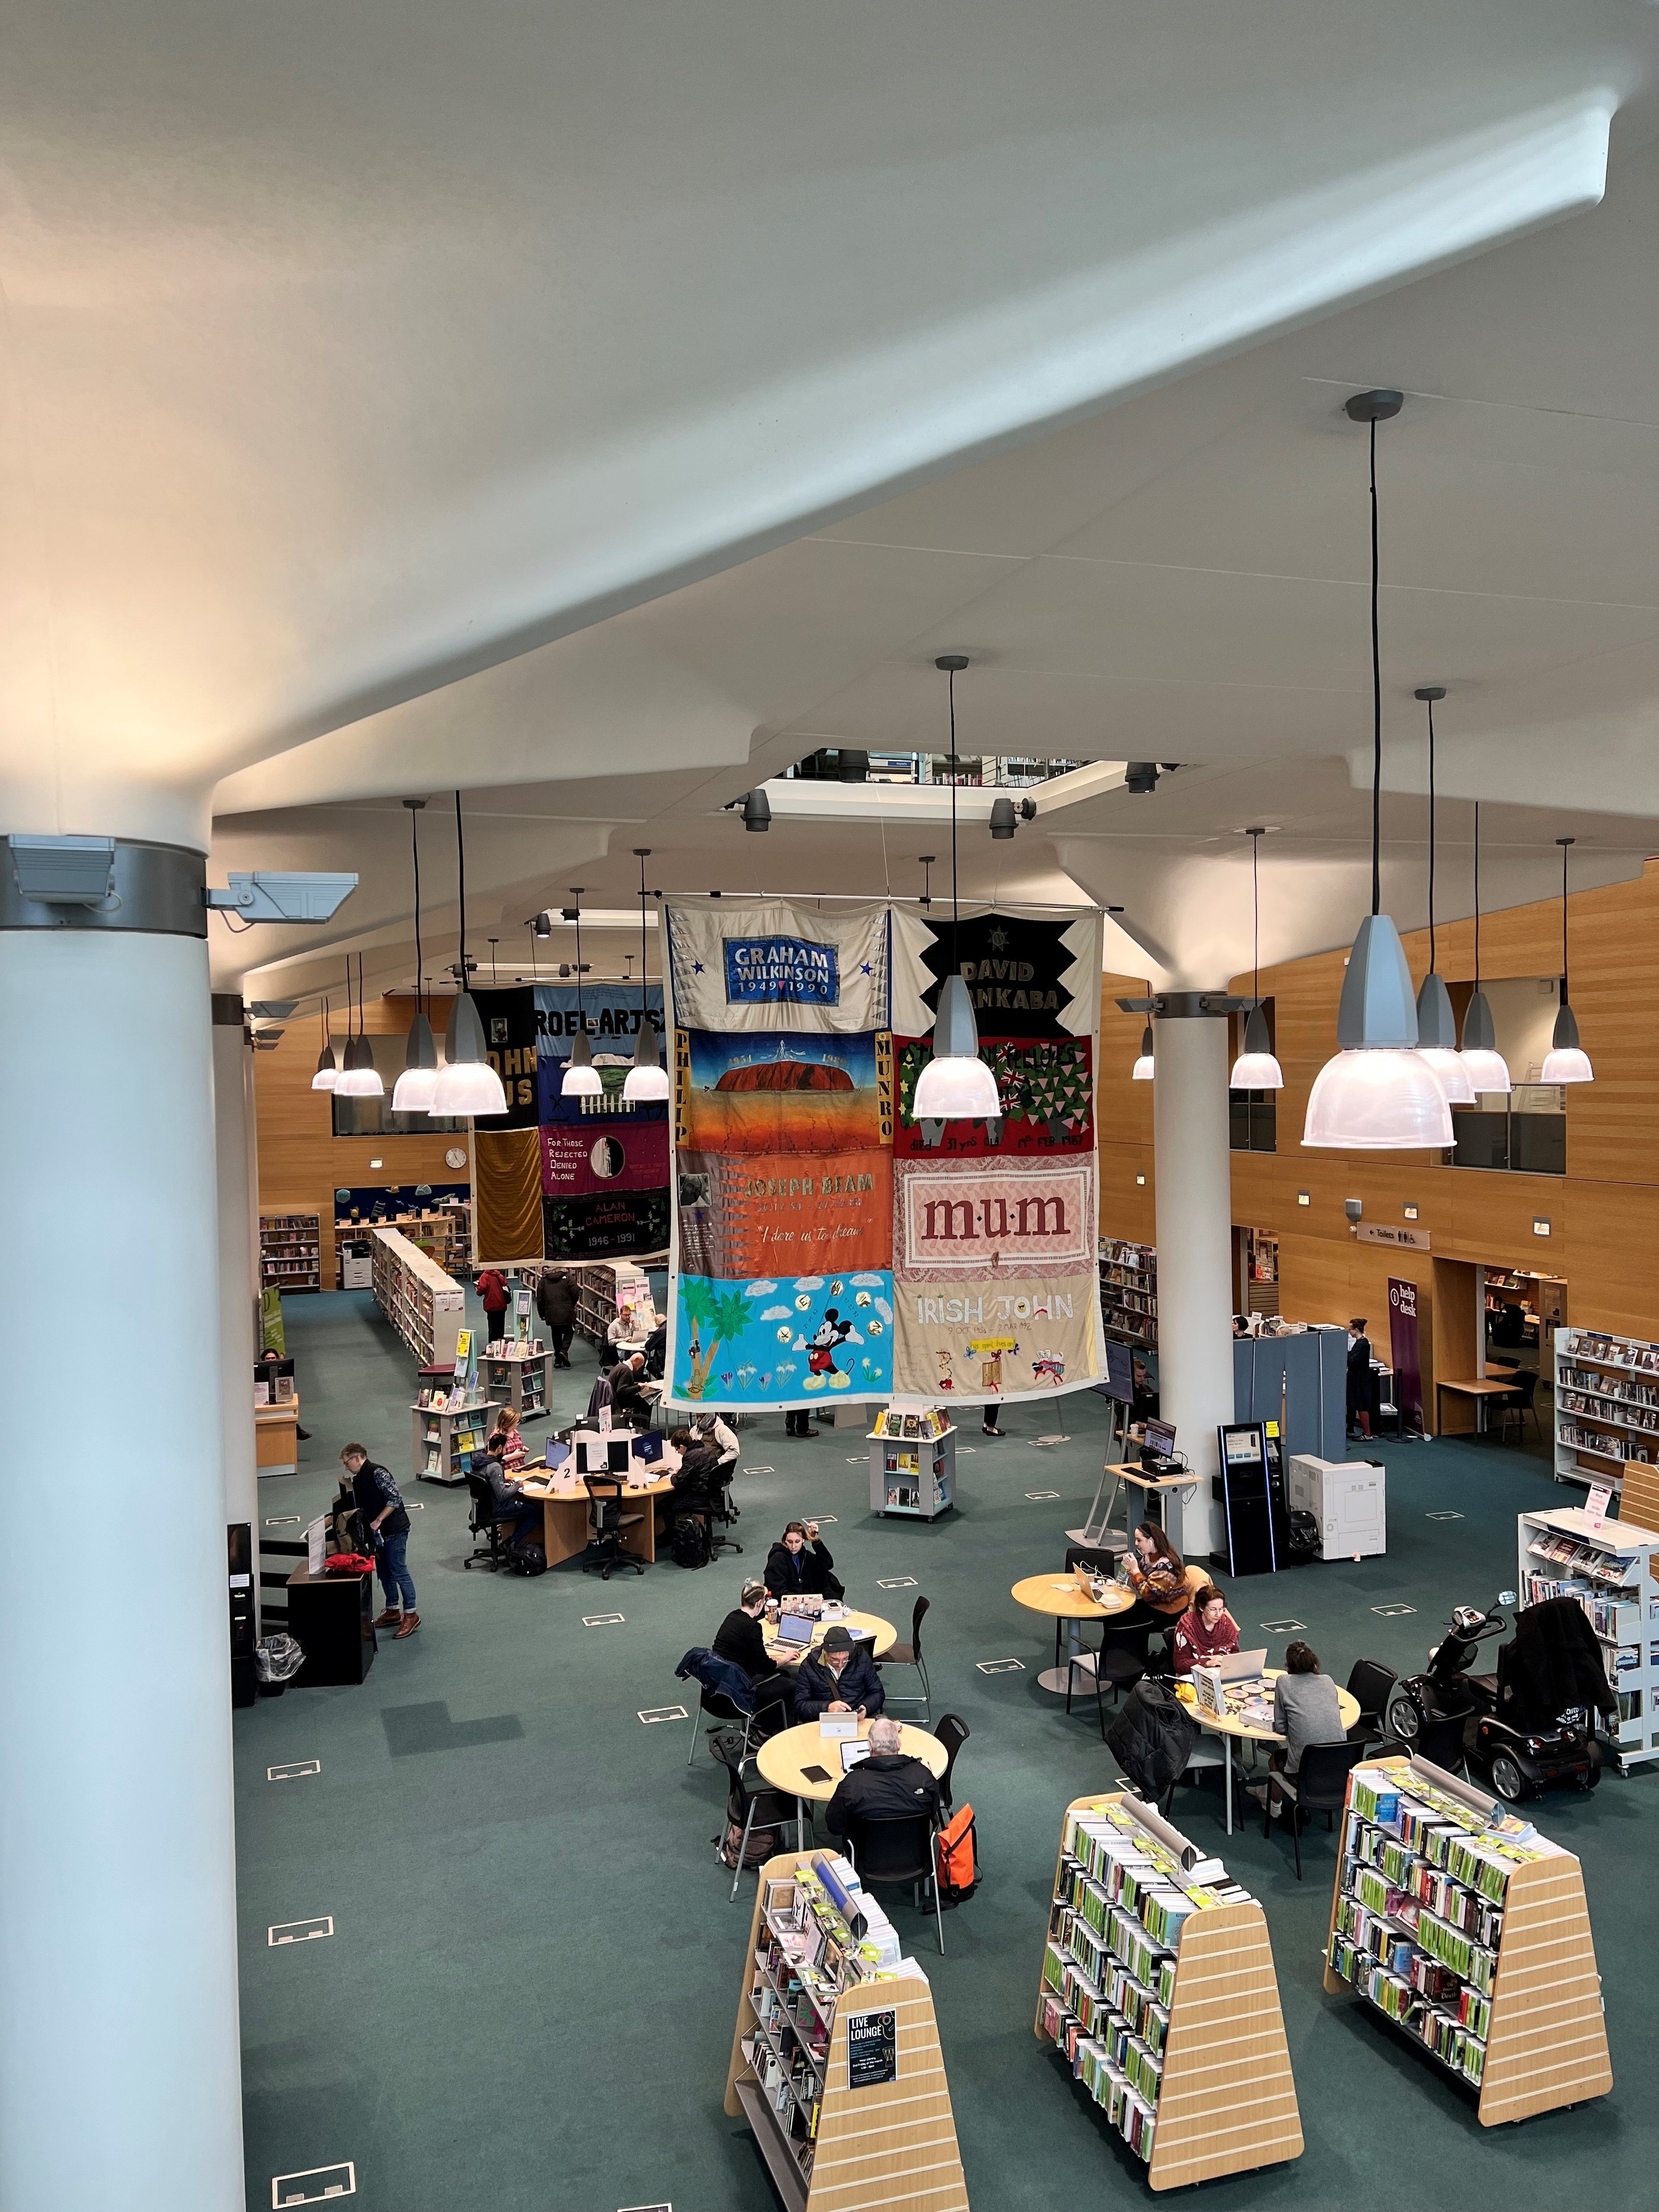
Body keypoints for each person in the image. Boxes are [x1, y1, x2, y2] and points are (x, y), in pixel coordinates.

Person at [340, 1442, 419, 1638]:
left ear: (356, 1458)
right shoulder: (359, 1479)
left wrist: (378, 1520)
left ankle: (411, 1614)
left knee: (399, 1571)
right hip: (378, 1535)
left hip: (395, 1530)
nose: (346, 1467)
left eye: (347, 1463)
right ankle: (392, 1610)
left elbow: (395, 1499)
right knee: (384, 1572)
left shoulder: (378, 1473)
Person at [825, 1715, 940, 1838]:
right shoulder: (923, 1776)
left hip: (865, 1848)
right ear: (899, 1744)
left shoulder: (852, 1784)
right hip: (917, 1847)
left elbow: (835, 1826)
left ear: (869, 1746)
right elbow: (934, 1808)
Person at [713, 1579, 793, 1725]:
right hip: (738, 1691)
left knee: (783, 1675)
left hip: (717, 1688)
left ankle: (762, 1724)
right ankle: (765, 1729)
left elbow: (741, 1652)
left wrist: (768, 1658)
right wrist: (785, 1658)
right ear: (759, 1604)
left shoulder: (732, 1617)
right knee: (791, 1685)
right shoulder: (752, 1627)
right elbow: (766, 1667)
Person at [1269, 1640, 1347, 1786]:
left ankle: (1272, 1801)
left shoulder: (1284, 1682)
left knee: (1274, 1760)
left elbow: (1280, 1727)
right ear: (1314, 1664)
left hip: (1303, 1768)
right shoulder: (1328, 1680)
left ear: (1288, 1667)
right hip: (1339, 1763)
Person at [793, 1624, 885, 1721]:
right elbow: (800, 1705)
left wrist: (866, 1708)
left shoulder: (861, 1659)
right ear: (825, 1653)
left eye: (845, 1659)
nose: (840, 1665)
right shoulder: (809, 1666)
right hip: (824, 1720)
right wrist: (827, 1708)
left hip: (858, 1719)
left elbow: (878, 1692)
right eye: (835, 1660)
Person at [1119, 1519, 1190, 1628]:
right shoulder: (1148, 1557)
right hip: (1155, 1604)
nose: (1136, 1544)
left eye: (1139, 1540)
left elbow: (1149, 1595)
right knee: (1117, 1615)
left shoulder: (1165, 1566)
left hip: (1170, 1610)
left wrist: (1135, 1571)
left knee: (1122, 1623)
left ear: (1151, 1541)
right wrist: (1130, 1570)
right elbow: (1141, 1585)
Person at [471, 1448, 543, 1548]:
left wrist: (501, 1479)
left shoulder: (478, 1462)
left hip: (482, 1508)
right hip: (497, 1508)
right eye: (504, 1449)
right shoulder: (495, 1467)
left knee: (525, 1506)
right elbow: (502, 1495)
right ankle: (512, 1541)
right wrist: (517, 1485)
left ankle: (513, 1541)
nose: (505, 1452)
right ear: (500, 1448)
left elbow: (487, 1480)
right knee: (536, 1511)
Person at [765, 1518, 844, 1602]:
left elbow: (827, 1564)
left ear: (803, 1540)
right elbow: (778, 1591)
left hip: (804, 1601)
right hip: (786, 1603)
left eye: (797, 1541)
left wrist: (816, 1541)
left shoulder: (804, 1555)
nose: (794, 1546)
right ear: (785, 1541)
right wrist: (802, 1601)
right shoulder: (777, 1559)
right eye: (790, 1542)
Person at [1170, 1583, 1241, 1675]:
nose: (1218, 1614)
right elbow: (1180, 1665)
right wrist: (1207, 1663)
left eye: (1221, 1609)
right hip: (1194, 1674)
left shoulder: (1226, 1624)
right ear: (1201, 1608)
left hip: (1221, 1671)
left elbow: (1235, 1653)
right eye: (1213, 1610)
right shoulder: (1187, 1627)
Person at [534, 1267, 578, 1366]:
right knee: (570, 1331)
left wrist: (542, 1314)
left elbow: (540, 1299)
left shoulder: (544, 1280)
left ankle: (558, 1360)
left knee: (556, 1334)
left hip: (551, 1312)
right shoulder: (568, 1278)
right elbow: (575, 1292)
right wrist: (571, 1304)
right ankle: (564, 1351)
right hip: (566, 1310)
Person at [1346, 1317, 1374, 1439]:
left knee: (1362, 1406)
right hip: (1355, 1379)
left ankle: (1367, 1434)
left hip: (1360, 1380)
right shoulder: (1359, 1343)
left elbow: (1352, 1360)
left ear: (1356, 1329)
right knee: (1352, 1404)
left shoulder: (1363, 1344)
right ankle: (1351, 1429)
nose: (1349, 1331)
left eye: (1350, 1329)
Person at [476, 1266, 511, 1346]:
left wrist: (477, 1290)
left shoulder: (485, 1276)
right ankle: (501, 1346)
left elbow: (481, 1289)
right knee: (501, 1327)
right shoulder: (500, 1275)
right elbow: (506, 1286)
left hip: (491, 1305)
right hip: (501, 1305)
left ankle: (492, 1347)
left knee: (492, 1328)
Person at [488, 1404, 528, 1471]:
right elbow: (493, 1461)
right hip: (506, 1471)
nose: (516, 1426)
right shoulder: (496, 1437)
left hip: (520, 1468)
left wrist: (523, 1449)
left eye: (517, 1423)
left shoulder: (515, 1432)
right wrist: (513, 1456)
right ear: (507, 1424)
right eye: (514, 1425)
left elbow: (518, 1447)